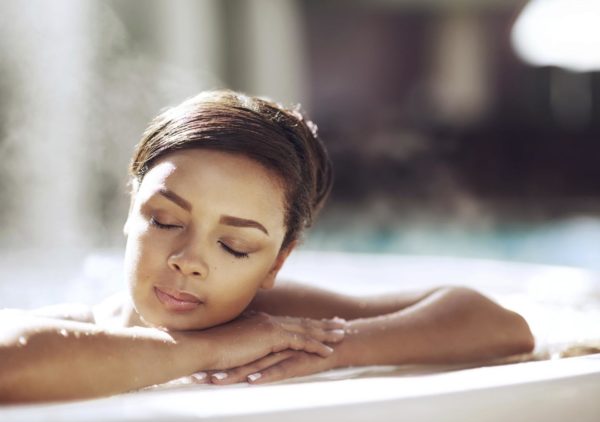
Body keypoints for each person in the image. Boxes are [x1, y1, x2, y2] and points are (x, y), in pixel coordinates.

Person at [0, 90, 534, 403]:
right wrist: (206, 350)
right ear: (130, 212)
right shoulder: (84, 328)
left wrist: (331, 350)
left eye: (234, 246)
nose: (189, 259)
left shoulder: (270, 322)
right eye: (164, 220)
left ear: (277, 261)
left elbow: (498, 325)